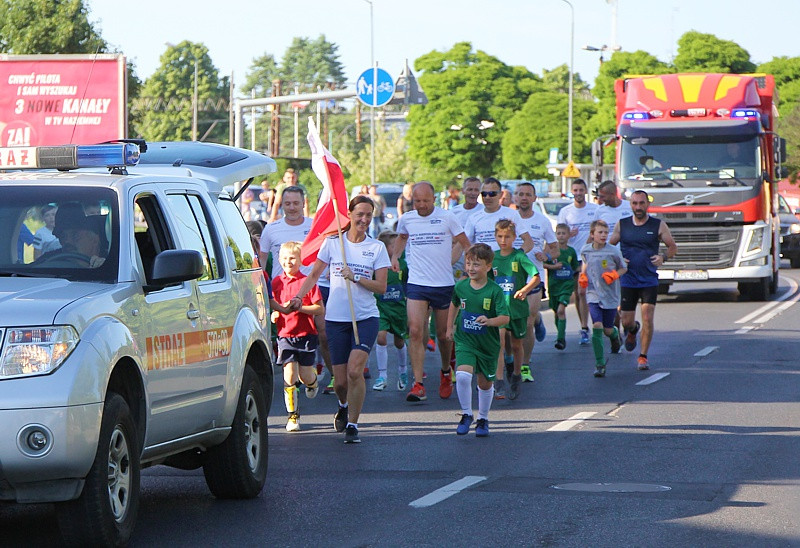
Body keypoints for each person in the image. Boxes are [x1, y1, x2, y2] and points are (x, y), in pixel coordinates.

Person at [289, 195, 390, 444]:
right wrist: (299, 297)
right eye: (360, 215)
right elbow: (313, 274)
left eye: (368, 215)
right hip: (336, 320)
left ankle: (353, 425)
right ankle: (343, 405)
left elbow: (381, 287)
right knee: (341, 382)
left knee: (356, 371)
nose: (364, 219)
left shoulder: (377, 248)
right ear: (350, 214)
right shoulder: (334, 244)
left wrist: (356, 277)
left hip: (365, 318)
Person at [392, 181, 471, 402]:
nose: (422, 205)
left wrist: (471, 267)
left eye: (426, 201)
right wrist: (395, 257)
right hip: (417, 283)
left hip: (443, 284)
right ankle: (418, 384)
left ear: (434, 199)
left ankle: (446, 370)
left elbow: (465, 243)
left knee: (445, 336)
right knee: (415, 331)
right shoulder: (407, 219)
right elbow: (402, 238)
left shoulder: (447, 217)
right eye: (417, 201)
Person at [260, 185, 333, 391]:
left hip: (312, 287)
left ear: (303, 204)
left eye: (296, 203)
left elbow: (327, 254)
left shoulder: (314, 227)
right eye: (287, 203)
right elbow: (262, 261)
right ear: (281, 204)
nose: (292, 208)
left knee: (323, 333)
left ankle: (331, 375)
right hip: (282, 289)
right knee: (285, 334)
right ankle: (291, 375)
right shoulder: (271, 229)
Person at [445, 243, 509, 437]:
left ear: (488, 267)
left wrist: (489, 321)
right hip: (465, 340)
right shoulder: (461, 286)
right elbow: (454, 304)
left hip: (487, 344)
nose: (471, 268)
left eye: (476, 265)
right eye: (468, 264)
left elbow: (505, 318)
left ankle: (483, 418)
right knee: (463, 375)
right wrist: (449, 327)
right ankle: (466, 414)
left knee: (484, 384)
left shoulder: (495, 291)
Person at [609, 190, 678, 371]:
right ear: (630, 205)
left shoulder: (658, 225)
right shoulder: (622, 225)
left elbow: (672, 247)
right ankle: (632, 330)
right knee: (626, 321)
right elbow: (609, 248)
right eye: (635, 203)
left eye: (641, 203)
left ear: (647, 204)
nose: (638, 207)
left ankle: (643, 356)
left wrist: (663, 257)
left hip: (648, 279)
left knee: (647, 317)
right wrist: (618, 259)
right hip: (628, 280)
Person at [270, 242, 323, 431]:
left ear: (301, 260)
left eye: (292, 258)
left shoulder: (307, 282)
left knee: (305, 376)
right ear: (278, 260)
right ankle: (293, 416)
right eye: (284, 258)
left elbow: (319, 308)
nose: (288, 262)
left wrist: (302, 308)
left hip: (306, 335)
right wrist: (274, 314)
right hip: (285, 335)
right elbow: (273, 304)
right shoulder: (276, 282)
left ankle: (312, 382)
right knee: (289, 374)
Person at [513, 182, 558, 382]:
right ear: (515, 197)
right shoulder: (507, 219)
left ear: (534, 198)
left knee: (527, 322)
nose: (524, 198)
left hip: (534, 277)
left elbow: (555, 247)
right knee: (510, 322)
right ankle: (510, 358)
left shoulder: (542, 221)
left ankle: (524, 365)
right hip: (511, 278)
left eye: (528, 194)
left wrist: (546, 255)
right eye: (520, 194)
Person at [492, 220, 540, 400]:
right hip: (499, 309)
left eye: (507, 237)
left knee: (516, 345)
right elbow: (487, 281)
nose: (503, 240)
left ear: (514, 238)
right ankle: (498, 381)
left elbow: (535, 277)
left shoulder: (519, 256)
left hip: (517, 309)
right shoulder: (493, 257)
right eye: (499, 236)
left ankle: (516, 375)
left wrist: (524, 290)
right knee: (499, 342)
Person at [578, 220, 626, 377]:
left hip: (610, 294)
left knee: (607, 329)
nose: (604, 235)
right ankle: (600, 364)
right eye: (600, 232)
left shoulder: (612, 251)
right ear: (592, 235)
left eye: (606, 232)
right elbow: (585, 265)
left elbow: (624, 268)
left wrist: (614, 275)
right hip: (593, 293)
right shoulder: (586, 250)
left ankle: (615, 335)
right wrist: (583, 276)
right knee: (597, 326)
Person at [556, 179, 599, 345]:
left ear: (585, 191)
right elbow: (560, 233)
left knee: (583, 292)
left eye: (581, 190)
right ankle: (584, 327)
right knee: (577, 293)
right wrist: (568, 235)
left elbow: (599, 229)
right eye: (575, 190)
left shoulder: (594, 210)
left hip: (588, 257)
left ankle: (585, 328)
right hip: (571, 258)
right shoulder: (566, 212)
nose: (578, 193)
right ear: (571, 191)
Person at [372, 231, 409, 391]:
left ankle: (403, 371)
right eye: (393, 245)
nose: (397, 248)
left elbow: (407, 285)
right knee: (381, 337)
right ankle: (382, 375)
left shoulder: (403, 265)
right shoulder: (376, 265)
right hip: (382, 308)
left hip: (399, 309)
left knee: (399, 341)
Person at [543, 223, 580, 350]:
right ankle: (560, 334)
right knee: (556, 312)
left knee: (561, 310)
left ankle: (560, 338)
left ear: (569, 235)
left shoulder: (571, 251)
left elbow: (576, 267)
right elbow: (543, 264)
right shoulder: (551, 251)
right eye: (558, 233)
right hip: (554, 285)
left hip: (566, 285)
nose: (561, 236)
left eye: (564, 233)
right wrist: (554, 267)